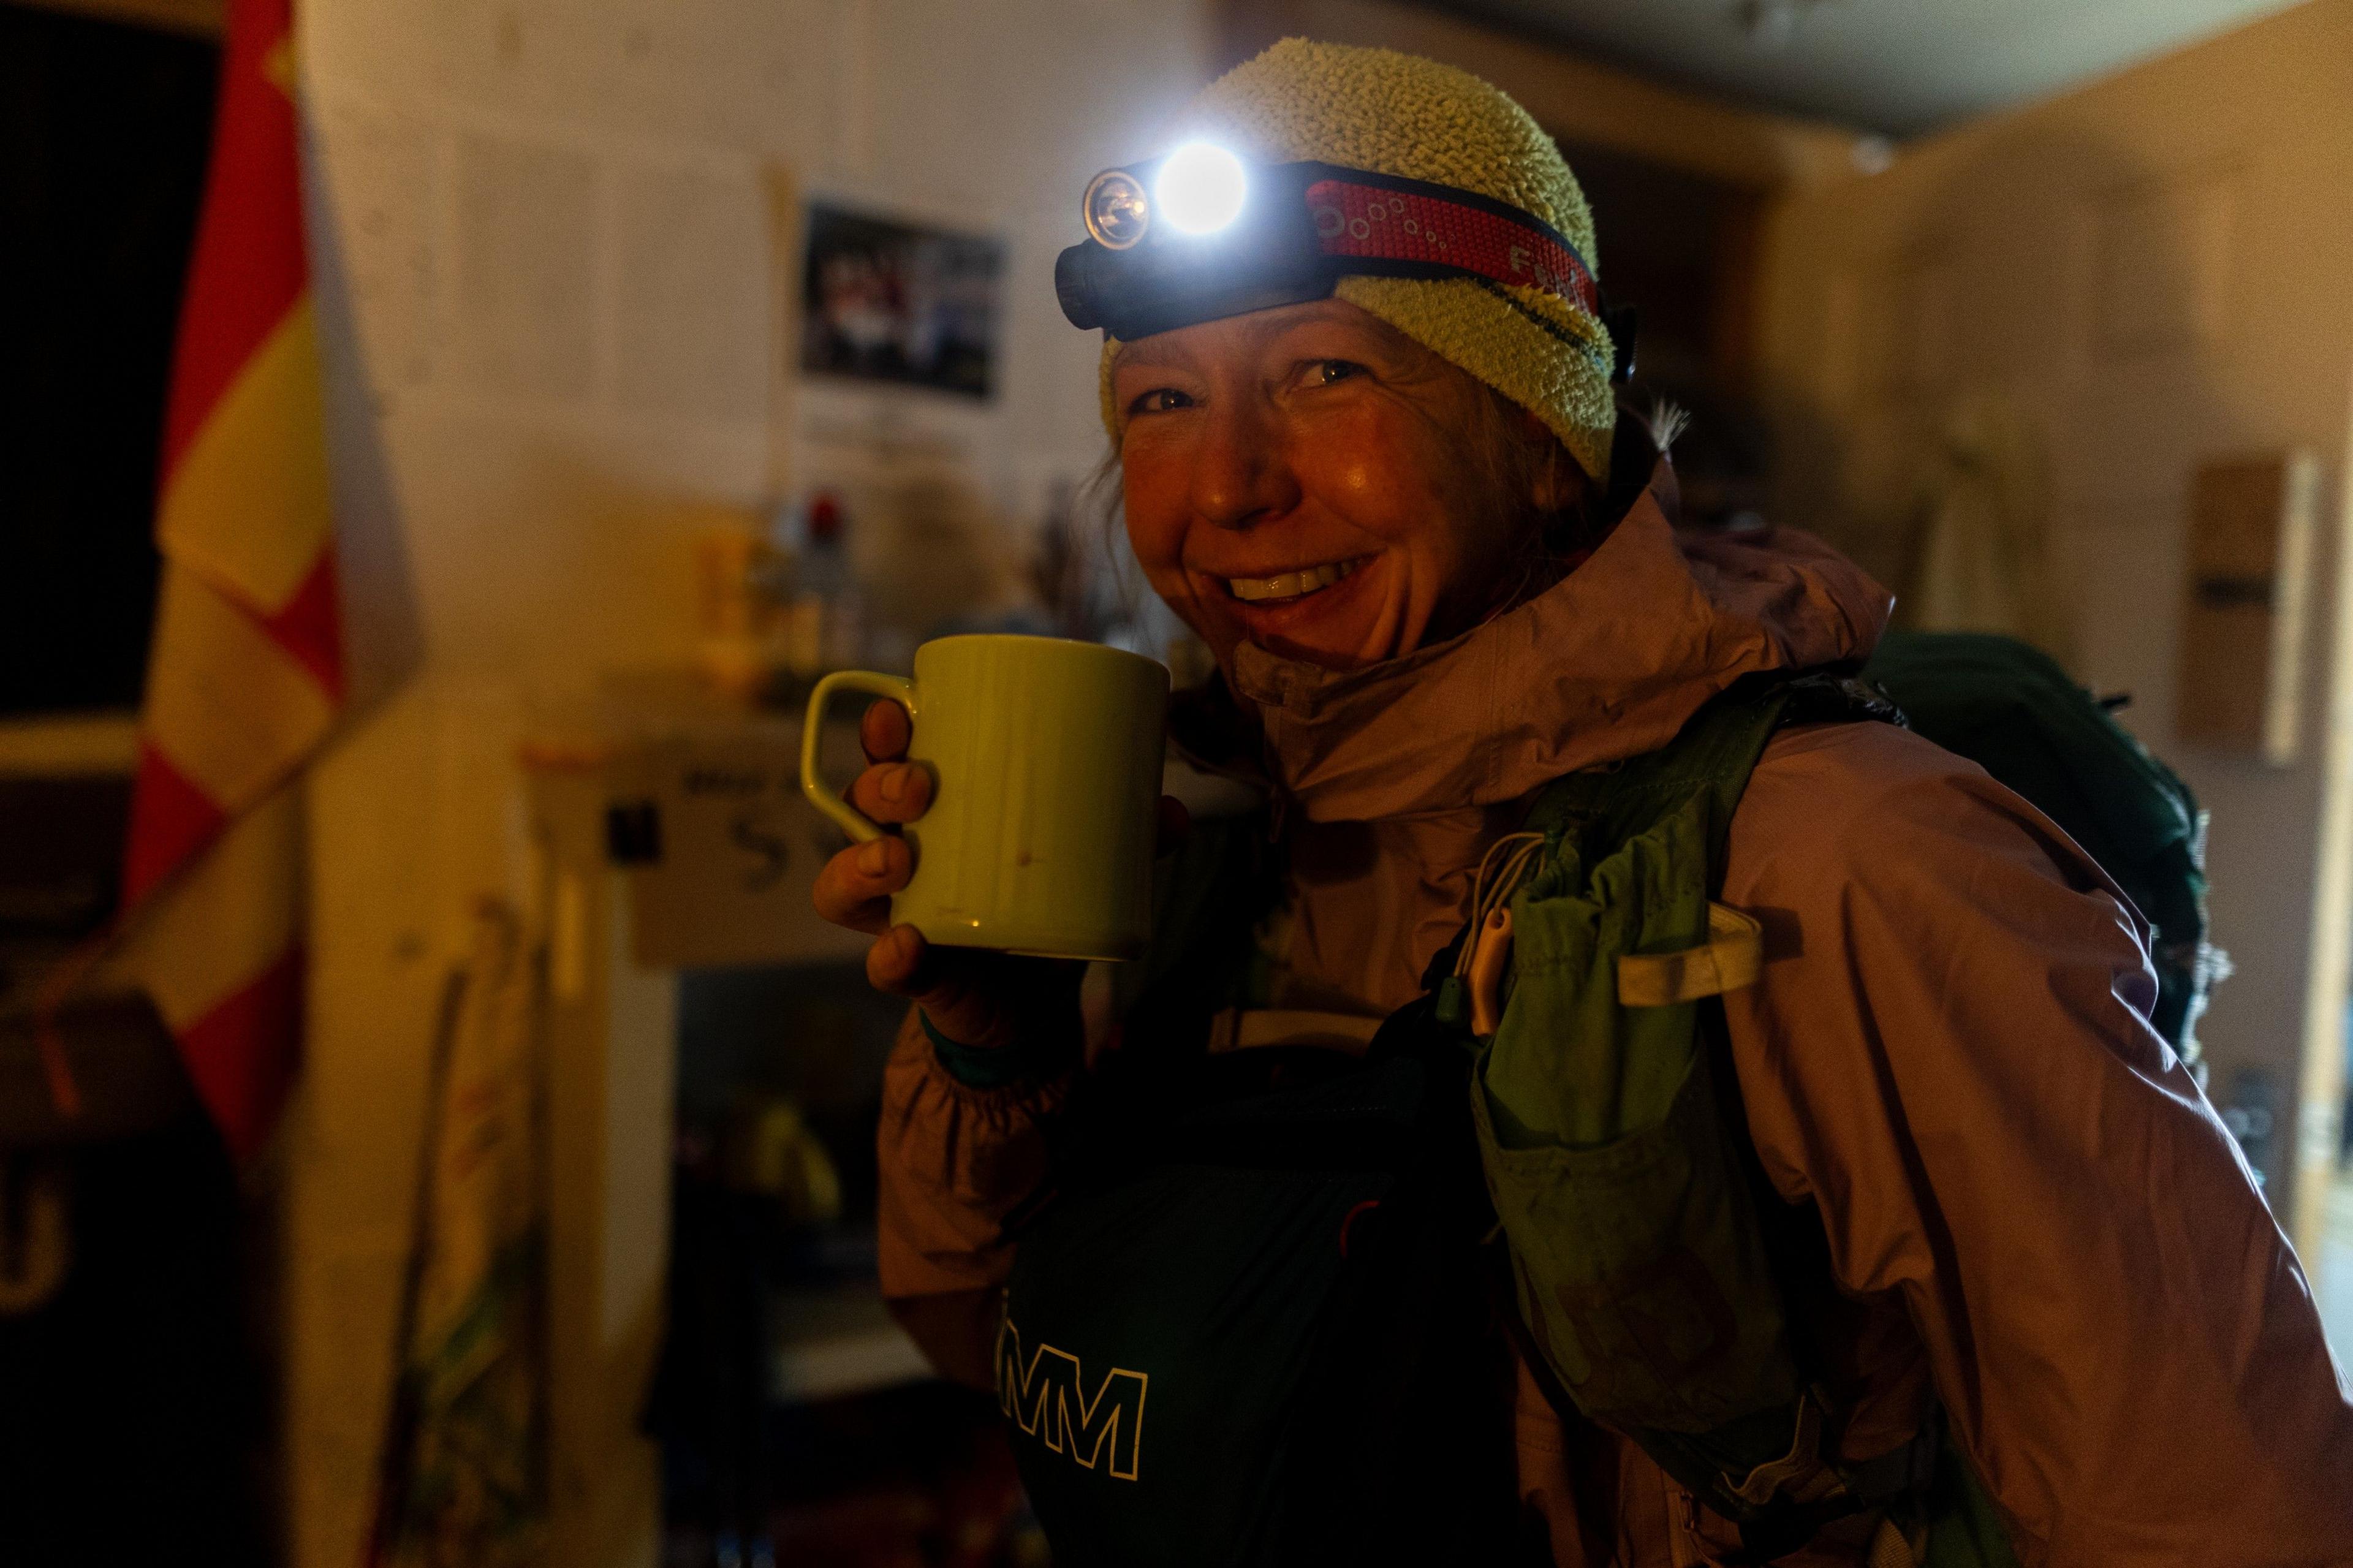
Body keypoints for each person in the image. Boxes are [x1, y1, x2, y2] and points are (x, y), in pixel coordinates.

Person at [811, 38, 2353, 1566]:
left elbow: (2222, 1514)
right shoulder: (1221, 851)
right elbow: (994, 1352)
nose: (1225, 488)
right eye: (1158, 401)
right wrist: (989, 1047)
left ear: (1547, 438)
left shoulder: (1843, 868)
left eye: (1325, 373)